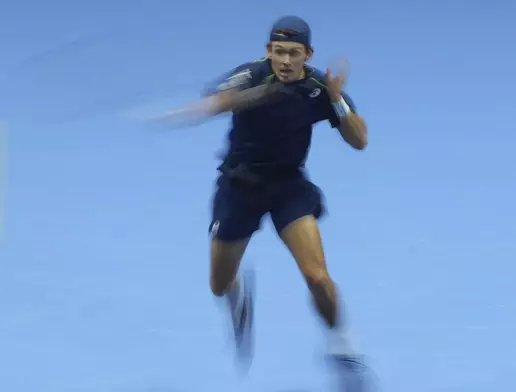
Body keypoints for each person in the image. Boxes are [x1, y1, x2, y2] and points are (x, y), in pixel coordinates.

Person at [157, 15, 370, 389]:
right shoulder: (251, 75)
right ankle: (240, 298)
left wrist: (336, 100)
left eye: (293, 53)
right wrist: (246, 97)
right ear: (268, 52)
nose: (285, 61)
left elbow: (359, 140)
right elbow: (216, 99)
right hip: (239, 188)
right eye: (278, 52)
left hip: (288, 187)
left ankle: (342, 346)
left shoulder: (320, 88)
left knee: (317, 277)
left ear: (307, 54)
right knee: (219, 285)